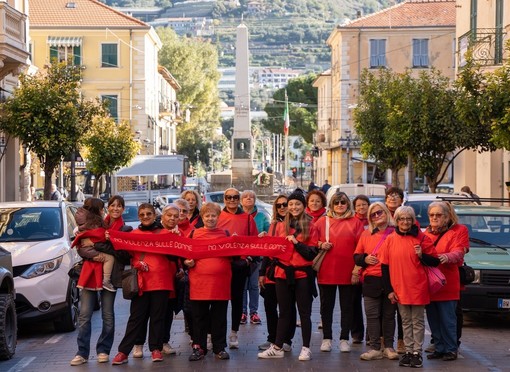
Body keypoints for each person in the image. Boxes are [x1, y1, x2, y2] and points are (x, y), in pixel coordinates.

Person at [70, 195, 132, 366]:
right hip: (90, 275)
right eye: (112, 205)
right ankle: (82, 353)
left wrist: (98, 243)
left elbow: (122, 254)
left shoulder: (125, 229)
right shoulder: (96, 223)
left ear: (123, 209)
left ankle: (103, 350)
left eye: (119, 206)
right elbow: (82, 249)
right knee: (84, 315)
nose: (115, 209)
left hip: (110, 277)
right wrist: (94, 243)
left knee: (108, 316)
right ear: (107, 208)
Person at [258, 189, 318, 361]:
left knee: (304, 313)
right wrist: (264, 240)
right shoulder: (278, 225)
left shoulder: (311, 226)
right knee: (284, 312)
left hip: (302, 275)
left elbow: (311, 253)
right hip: (282, 274)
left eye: (297, 204)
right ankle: (277, 346)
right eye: (291, 204)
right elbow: (271, 251)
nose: (293, 207)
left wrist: (296, 242)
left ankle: (306, 348)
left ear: (303, 206)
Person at [112, 203, 175, 365]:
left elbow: (175, 257)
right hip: (141, 283)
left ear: (155, 215)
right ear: (139, 217)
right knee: (136, 318)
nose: (146, 217)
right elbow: (125, 256)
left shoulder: (166, 233)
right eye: (142, 214)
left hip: (161, 281)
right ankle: (123, 351)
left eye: (149, 214)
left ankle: (155, 349)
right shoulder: (134, 234)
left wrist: (176, 237)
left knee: (157, 317)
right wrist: (136, 264)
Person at [379, 206, 440, 368]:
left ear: (413, 221)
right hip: (399, 288)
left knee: (417, 321)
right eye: (401, 219)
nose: (405, 222)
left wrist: (422, 255)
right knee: (405, 321)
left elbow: (435, 261)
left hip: (418, 287)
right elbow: (384, 266)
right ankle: (408, 351)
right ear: (396, 221)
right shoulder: (390, 239)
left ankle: (416, 353)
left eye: (408, 219)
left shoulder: (422, 238)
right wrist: (389, 290)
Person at [314, 191, 365, 353]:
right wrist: (321, 244)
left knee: (347, 306)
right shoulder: (322, 222)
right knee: (326, 306)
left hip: (348, 270)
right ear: (331, 205)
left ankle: (344, 338)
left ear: (348, 204)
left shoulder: (355, 222)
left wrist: (357, 269)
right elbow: (312, 241)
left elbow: (361, 246)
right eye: (336, 202)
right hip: (326, 269)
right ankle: (327, 338)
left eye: (343, 202)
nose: (340, 205)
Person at [185, 202, 231, 361]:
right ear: (202, 217)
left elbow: (236, 253)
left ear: (218, 217)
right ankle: (199, 347)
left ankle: (219, 348)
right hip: (199, 284)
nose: (210, 218)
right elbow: (185, 254)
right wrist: (187, 262)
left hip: (220, 284)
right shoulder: (193, 234)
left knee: (220, 317)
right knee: (199, 317)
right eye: (207, 215)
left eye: (213, 215)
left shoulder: (226, 234)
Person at [354, 202, 399, 361]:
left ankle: (388, 347)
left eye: (379, 212)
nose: (377, 216)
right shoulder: (366, 234)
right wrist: (365, 259)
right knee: (372, 315)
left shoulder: (396, 233)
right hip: (371, 280)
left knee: (388, 315)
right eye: (373, 214)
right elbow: (356, 256)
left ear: (386, 212)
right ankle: (374, 348)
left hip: (391, 280)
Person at [217, 187, 259, 349]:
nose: (232, 200)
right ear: (224, 198)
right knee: (219, 302)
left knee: (237, 300)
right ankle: (215, 334)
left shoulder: (247, 218)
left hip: (240, 266)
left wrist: (248, 260)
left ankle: (234, 333)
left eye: (235, 197)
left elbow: (254, 242)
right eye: (229, 197)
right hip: (221, 265)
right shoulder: (217, 216)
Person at [424, 202, 464, 362]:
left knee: (448, 321)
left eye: (439, 215)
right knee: (433, 320)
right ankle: (439, 348)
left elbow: (459, 252)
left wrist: (447, 257)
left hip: (447, 285)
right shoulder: (425, 234)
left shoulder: (455, 233)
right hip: (430, 286)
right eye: (432, 215)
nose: (434, 218)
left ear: (447, 217)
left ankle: (451, 349)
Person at [258, 195, 296, 352]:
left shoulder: (295, 225)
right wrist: (262, 272)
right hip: (271, 271)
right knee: (269, 306)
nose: (282, 207)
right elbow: (268, 251)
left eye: (285, 204)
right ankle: (272, 337)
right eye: (278, 205)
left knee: (287, 307)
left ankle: (286, 339)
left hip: (287, 271)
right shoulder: (272, 225)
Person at [72, 198, 116, 292]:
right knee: (110, 258)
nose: (103, 211)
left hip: (84, 250)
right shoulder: (94, 222)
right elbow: (100, 235)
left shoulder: (84, 220)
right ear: (96, 210)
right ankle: (106, 281)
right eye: (101, 209)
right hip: (89, 251)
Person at [240, 190, 269, 325]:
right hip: (241, 256)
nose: (248, 199)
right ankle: (242, 312)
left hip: (257, 256)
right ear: (241, 201)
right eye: (245, 197)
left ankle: (254, 312)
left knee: (253, 286)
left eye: (251, 197)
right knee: (242, 286)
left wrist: (265, 233)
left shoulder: (261, 216)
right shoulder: (238, 216)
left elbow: (269, 231)